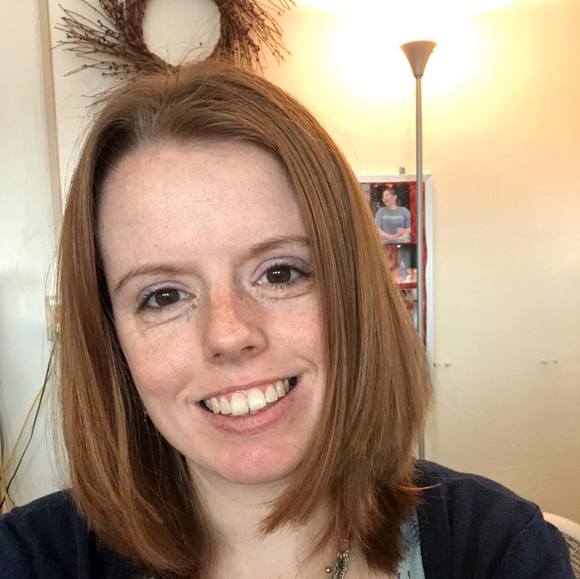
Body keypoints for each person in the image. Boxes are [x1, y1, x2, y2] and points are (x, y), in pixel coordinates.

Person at [0, 61, 573, 579]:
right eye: (164, 296)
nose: (229, 334)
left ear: (354, 293)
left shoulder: (497, 548)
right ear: (111, 340)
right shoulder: (30, 558)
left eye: (279, 273)